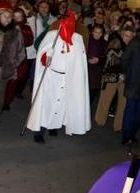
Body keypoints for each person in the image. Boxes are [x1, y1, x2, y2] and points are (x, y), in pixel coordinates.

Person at [27, 11, 92, 142]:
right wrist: (45, 57)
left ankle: (54, 126)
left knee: (61, 103)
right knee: (47, 103)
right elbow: (42, 51)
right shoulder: (52, 35)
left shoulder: (77, 39)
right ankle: (40, 131)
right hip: (51, 76)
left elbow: (81, 60)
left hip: (68, 77)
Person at [95, 29, 134, 132]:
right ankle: (99, 121)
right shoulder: (115, 44)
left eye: (130, 36)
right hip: (111, 76)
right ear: (122, 35)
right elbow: (109, 58)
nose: (127, 38)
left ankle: (118, 126)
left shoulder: (133, 47)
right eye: (126, 35)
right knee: (105, 99)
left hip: (125, 78)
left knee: (123, 103)